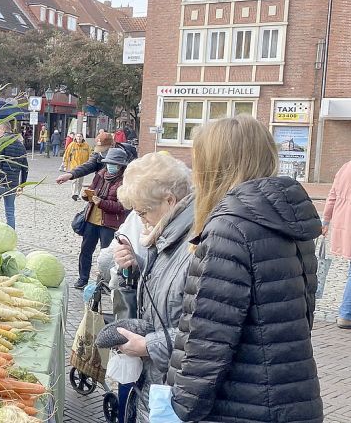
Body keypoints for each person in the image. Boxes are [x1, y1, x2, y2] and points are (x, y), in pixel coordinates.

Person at [164, 116, 322, 422]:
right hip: (293, 396)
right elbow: (301, 317)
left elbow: (209, 338)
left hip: (243, 405)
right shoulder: (287, 219)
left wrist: (182, 405)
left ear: (215, 165)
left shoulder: (229, 228)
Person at [110, 153, 195, 423]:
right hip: (160, 382)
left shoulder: (195, 243)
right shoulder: (169, 235)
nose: (141, 221)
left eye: (143, 212)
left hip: (176, 389)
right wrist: (137, 265)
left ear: (169, 201)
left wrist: (147, 345)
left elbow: (202, 330)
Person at [75, 147, 130, 289]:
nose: (110, 166)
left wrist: (103, 203)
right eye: (108, 163)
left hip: (109, 224)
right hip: (92, 220)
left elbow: (123, 206)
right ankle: (83, 279)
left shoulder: (124, 182)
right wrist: (86, 195)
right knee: (86, 250)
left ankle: (104, 282)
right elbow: (92, 190)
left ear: (121, 166)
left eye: (114, 164)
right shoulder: (100, 174)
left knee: (107, 255)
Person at [324, 159, 351, 329]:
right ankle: (346, 313)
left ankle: (346, 313)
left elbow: (332, 195)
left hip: (344, 225)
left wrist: (326, 220)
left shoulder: (346, 167)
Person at [0, 123, 29, 229]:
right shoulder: (20, 145)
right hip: (13, 184)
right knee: (10, 212)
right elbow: (25, 168)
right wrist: (22, 185)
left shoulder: (1, 143)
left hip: (0, 182)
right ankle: (11, 234)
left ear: (3, 130)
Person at [63, 133, 92, 201]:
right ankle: (74, 194)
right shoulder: (71, 145)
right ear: (75, 137)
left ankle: (78, 194)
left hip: (83, 167)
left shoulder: (86, 146)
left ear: (82, 137)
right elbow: (66, 155)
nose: (79, 138)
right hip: (74, 166)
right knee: (74, 180)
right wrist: (65, 165)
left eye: (80, 136)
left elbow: (90, 156)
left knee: (80, 182)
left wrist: (89, 165)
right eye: (77, 136)